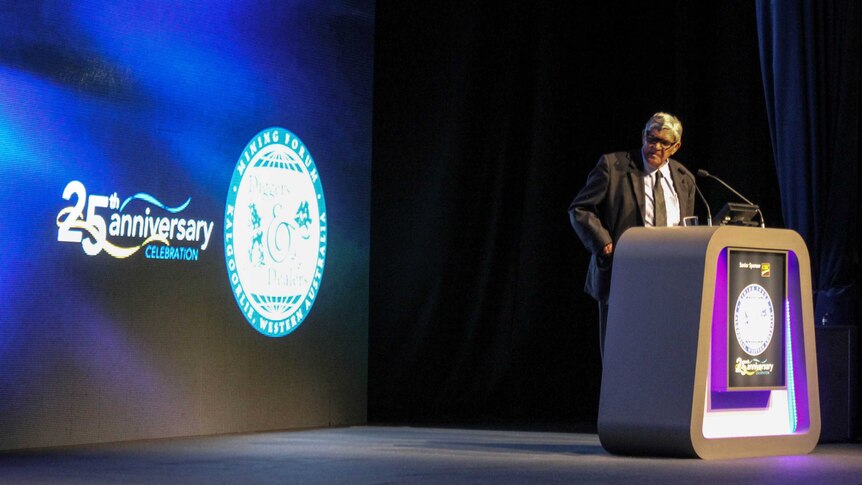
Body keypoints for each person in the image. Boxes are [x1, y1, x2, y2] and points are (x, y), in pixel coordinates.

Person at [568, 112, 696, 359]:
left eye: (664, 142)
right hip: (622, 274)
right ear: (643, 135)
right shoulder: (613, 167)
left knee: (658, 355)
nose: (655, 146)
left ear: (676, 147)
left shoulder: (684, 179)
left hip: (668, 281)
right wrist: (603, 242)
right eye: (651, 138)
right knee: (620, 357)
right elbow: (580, 209)